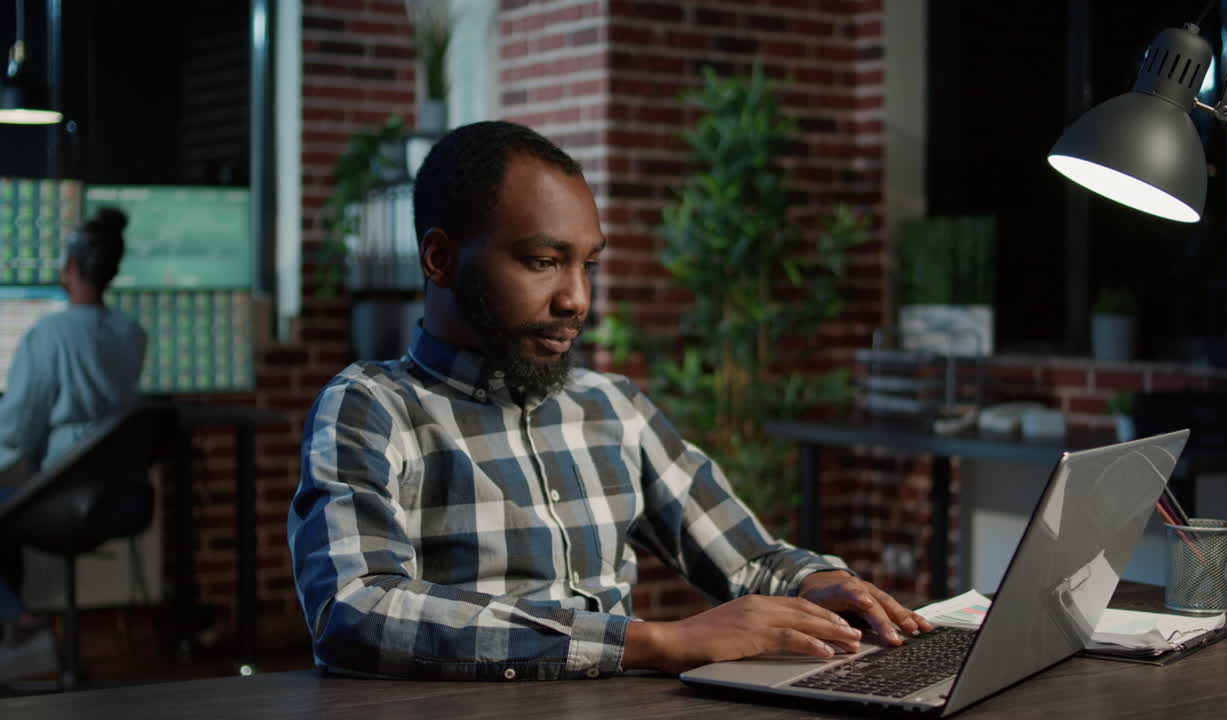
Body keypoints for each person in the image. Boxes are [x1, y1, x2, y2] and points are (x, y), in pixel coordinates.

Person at [288, 121, 930, 681]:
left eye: (587, 264)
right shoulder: (370, 406)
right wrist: (650, 641)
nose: (577, 299)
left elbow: (753, 560)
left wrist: (821, 585)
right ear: (440, 258)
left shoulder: (611, 405)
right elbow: (356, 611)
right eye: (543, 261)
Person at [0, 207, 148, 684]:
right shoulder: (132, 334)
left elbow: (14, 432)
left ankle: (18, 622)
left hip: (67, 496)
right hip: (121, 496)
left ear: (70, 267)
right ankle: (21, 627)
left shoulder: (48, 336)